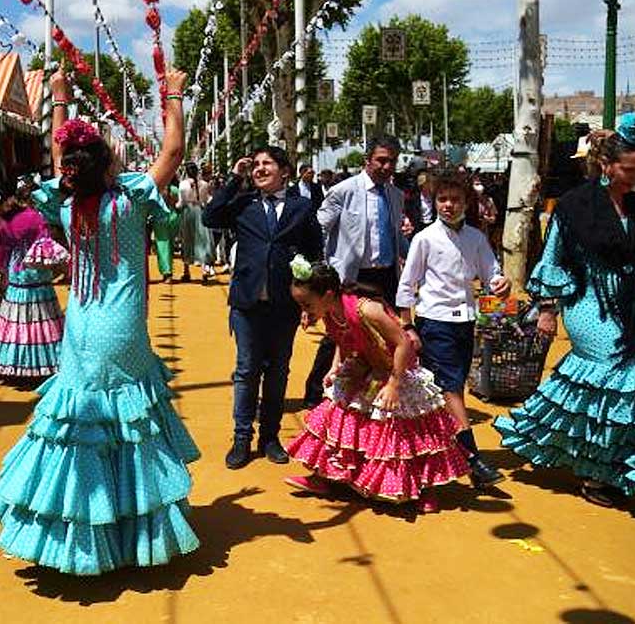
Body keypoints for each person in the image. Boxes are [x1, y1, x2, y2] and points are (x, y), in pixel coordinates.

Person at [0, 68, 199, 575]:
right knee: (128, 428)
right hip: (121, 328)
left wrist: (59, 97)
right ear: (107, 166)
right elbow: (173, 151)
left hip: (80, 328)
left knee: (78, 424)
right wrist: (173, 91)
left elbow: (59, 155)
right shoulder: (129, 200)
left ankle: (75, 528)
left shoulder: (67, 206)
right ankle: (129, 529)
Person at [495, 113, 635, 508]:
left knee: (619, 388)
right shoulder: (573, 206)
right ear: (606, 165)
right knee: (618, 376)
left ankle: (609, 461)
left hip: (631, 310)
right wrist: (548, 310)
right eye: (629, 170)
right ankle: (597, 473)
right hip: (587, 305)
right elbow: (553, 260)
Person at [284, 258, 470, 513]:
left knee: (403, 429)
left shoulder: (367, 309)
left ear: (327, 295)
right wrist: (335, 367)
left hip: (396, 371)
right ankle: (326, 476)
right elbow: (342, 338)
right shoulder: (330, 311)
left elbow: (403, 343)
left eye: (306, 304)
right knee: (339, 413)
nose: (303, 310)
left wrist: (393, 384)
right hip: (368, 369)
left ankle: (426, 488)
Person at [203, 147, 324, 469]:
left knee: (278, 371)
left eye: (266, 163)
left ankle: (270, 437)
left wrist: (310, 302)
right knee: (246, 371)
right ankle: (241, 437)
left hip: (284, 306)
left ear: (284, 171)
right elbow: (210, 217)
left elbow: (315, 252)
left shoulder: (301, 207)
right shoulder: (244, 204)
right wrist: (234, 178)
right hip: (247, 303)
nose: (259, 169)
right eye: (255, 164)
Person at [396, 171, 509, 488]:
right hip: (434, 322)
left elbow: (491, 273)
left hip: (466, 322)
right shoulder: (424, 238)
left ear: (466, 203)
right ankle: (473, 460)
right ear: (434, 202)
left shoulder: (476, 238)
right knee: (449, 388)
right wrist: (408, 324)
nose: (448, 205)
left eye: (455, 199)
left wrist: (501, 283)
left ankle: (439, 454)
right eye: (442, 199)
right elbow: (407, 284)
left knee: (452, 387)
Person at [305, 136, 408, 409]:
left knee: (385, 336)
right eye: (381, 160)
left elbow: (397, 235)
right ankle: (317, 393)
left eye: (392, 161)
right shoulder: (343, 191)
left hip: (386, 276)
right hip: (351, 277)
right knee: (339, 335)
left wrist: (414, 256)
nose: (387, 166)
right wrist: (318, 274)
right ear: (367, 160)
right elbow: (319, 230)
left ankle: (376, 398)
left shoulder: (396, 195)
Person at [0, 182, 67, 379]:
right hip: (36, 276)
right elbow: (47, 247)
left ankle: (15, 363)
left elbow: (2, 250)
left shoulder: (9, 221)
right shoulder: (36, 218)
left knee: (16, 318)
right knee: (42, 317)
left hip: (19, 276)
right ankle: (45, 362)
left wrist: (0, 272)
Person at [179, 162, 216, 282]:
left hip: (188, 212)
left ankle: (186, 271)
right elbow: (206, 200)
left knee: (187, 239)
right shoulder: (204, 184)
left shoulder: (183, 184)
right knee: (203, 240)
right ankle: (204, 270)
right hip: (200, 211)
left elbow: (181, 202)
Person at [152, 176, 182, 282]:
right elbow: (180, 204)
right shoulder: (175, 189)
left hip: (160, 218)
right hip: (173, 217)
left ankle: (167, 272)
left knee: (162, 245)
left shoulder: (157, 190)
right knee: (170, 244)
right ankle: (169, 269)